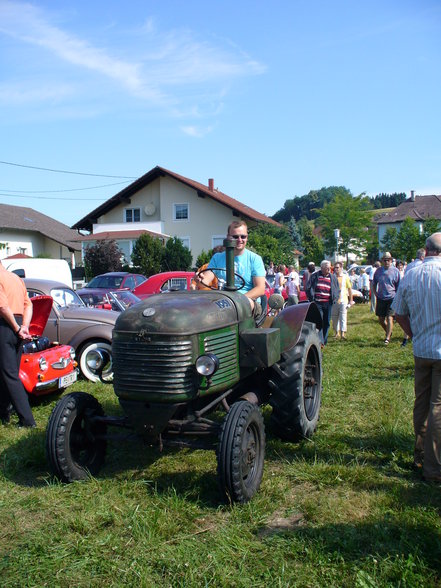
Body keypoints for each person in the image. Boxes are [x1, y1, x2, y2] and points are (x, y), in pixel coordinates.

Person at [392, 233, 441, 483]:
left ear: (426, 249)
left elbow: (398, 313)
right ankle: (433, 469)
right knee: (437, 408)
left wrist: (413, 334)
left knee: (422, 403)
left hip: (421, 349)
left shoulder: (411, 274)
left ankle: (420, 455)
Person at [0, 260, 36, 428]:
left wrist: (15, 328)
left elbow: (2, 307)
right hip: (19, 325)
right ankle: (3, 413)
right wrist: (24, 327)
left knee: (9, 375)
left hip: (5, 326)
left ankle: (27, 420)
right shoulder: (16, 278)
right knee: (7, 373)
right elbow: (28, 305)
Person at [206, 220, 266, 314]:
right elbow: (205, 279)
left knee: (241, 307)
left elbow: (260, 288)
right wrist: (200, 280)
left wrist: (238, 300)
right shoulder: (217, 258)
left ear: (247, 237)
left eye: (243, 236)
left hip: (248, 301)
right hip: (222, 302)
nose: (239, 240)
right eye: (235, 237)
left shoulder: (254, 259)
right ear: (228, 237)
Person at [306, 260, 340, 346]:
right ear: (322, 268)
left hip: (328, 303)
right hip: (318, 303)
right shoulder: (315, 276)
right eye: (327, 267)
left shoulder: (333, 277)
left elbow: (337, 289)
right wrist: (312, 298)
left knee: (327, 322)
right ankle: (320, 342)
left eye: (329, 267)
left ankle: (324, 340)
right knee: (319, 321)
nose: (329, 269)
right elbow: (308, 288)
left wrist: (335, 298)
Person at [372, 252, 400, 345]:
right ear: (382, 261)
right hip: (381, 297)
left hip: (392, 297)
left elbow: (398, 285)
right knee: (381, 319)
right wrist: (375, 292)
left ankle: (387, 338)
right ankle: (389, 331)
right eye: (385, 260)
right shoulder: (378, 271)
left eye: (388, 260)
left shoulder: (395, 271)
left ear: (391, 261)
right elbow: (374, 283)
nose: (386, 262)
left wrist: (397, 296)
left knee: (389, 317)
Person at [331, 262, 353, 340]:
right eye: (335, 268)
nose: (336, 269)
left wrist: (351, 300)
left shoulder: (345, 277)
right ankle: (336, 333)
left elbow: (349, 289)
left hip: (343, 300)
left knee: (343, 316)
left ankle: (343, 333)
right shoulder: (332, 277)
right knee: (334, 317)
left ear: (341, 268)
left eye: (337, 267)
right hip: (334, 300)